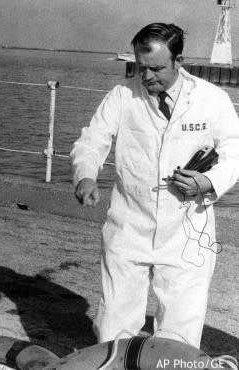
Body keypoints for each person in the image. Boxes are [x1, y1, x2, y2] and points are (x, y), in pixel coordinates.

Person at [71, 23, 239, 348]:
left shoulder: (210, 99)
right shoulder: (122, 96)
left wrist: (207, 181)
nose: (147, 77)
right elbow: (92, 140)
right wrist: (86, 175)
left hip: (187, 234)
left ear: (179, 60)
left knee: (179, 338)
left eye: (157, 68)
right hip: (128, 227)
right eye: (141, 67)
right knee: (113, 329)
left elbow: (236, 150)